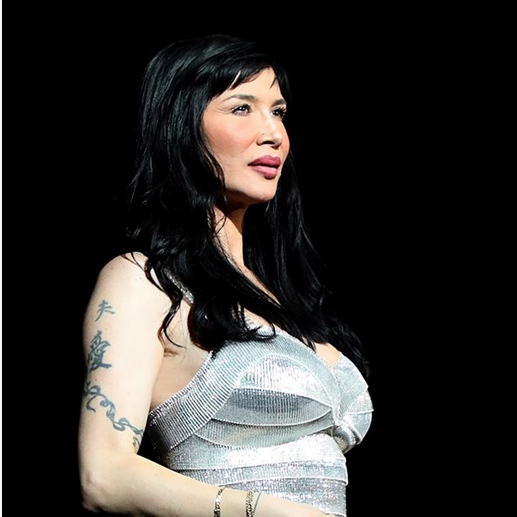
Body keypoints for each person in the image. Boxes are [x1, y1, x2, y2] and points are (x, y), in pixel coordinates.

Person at [78, 33, 373, 517]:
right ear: (180, 126)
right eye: (242, 108)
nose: (273, 133)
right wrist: (276, 512)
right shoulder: (144, 282)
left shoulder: (286, 292)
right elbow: (104, 476)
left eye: (278, 112)